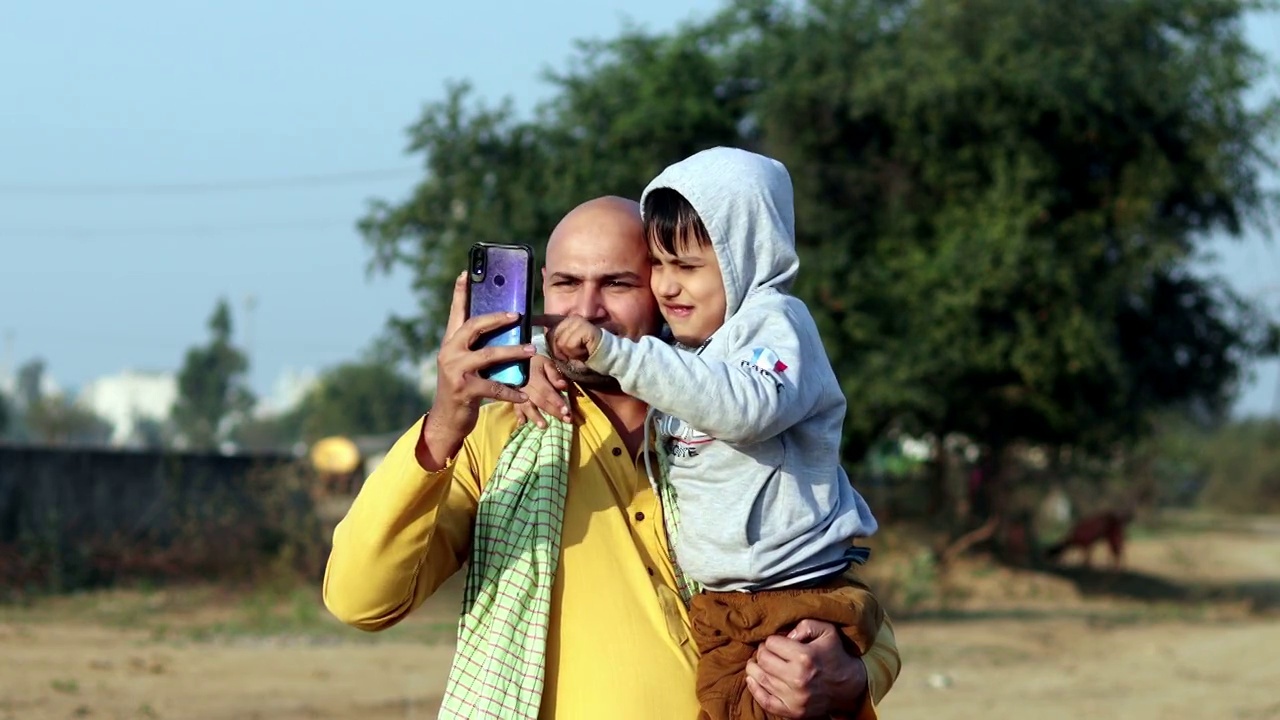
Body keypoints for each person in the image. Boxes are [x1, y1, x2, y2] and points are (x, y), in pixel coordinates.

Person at [322, 195, 901, 720]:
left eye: (619, 284)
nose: (588, 310)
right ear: (542, 288)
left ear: (667, 288)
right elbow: (361, 599)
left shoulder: (740, 417)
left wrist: (850, 677)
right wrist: (446, 419)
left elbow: (844, 610)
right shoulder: (497, 431)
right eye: (568, 284)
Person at [546, 148, 882, 720]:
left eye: (691, 267)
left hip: (784, 598)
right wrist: (537, 359)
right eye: (660, 267)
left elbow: (743, 406)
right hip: (736, 601)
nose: (670, 288)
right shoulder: (697, 352)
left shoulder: (777, 326)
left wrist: (612, 351)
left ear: (742, 258)